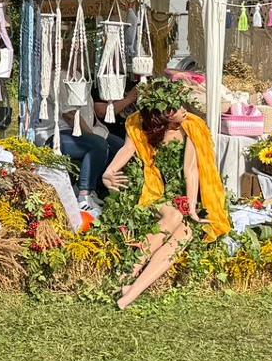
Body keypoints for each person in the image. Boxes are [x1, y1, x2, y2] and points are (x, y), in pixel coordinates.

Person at [98, 78, 230, 310]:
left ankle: (131, 291)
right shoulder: (139, 124)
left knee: (186, 232)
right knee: (174, 216)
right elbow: (128, 149)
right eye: (177, 108)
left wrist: (191, 206)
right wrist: (108, 171)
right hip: (152, 191)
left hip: (182, 195)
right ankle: (127, 272)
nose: (184, 110)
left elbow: (191, 171)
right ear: (163, 115)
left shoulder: (192, 126)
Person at [57, 86, 137, 212]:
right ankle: (84, 193)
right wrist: (129, 98)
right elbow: (70, 115)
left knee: (120, 146)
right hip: (63, 132)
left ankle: (115, 194)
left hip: (96, 129)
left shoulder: (81, 75)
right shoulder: (64, 77)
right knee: (98, 145)